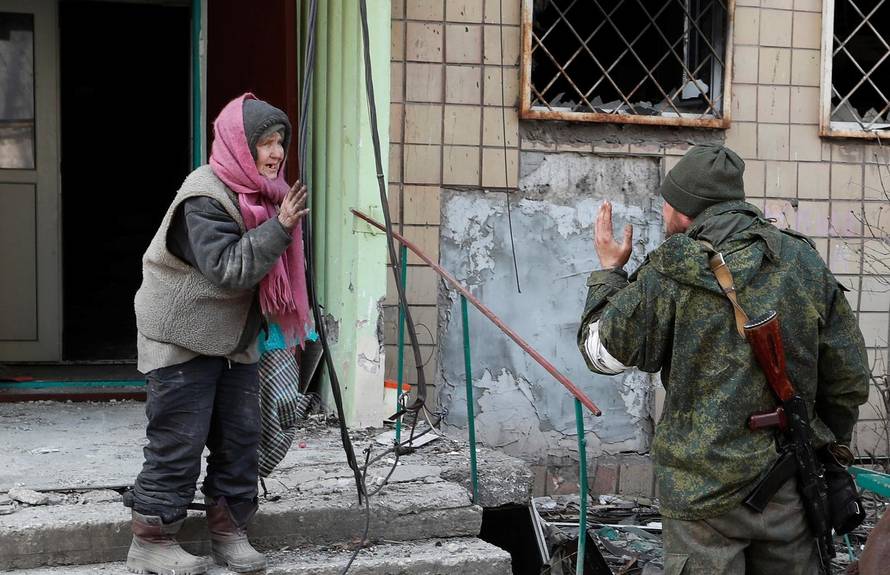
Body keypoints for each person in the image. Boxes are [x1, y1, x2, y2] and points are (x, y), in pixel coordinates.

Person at [577, 144, 869, 574]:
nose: (663, 212)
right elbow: (847, 380)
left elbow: (603, 354)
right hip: (789, 486)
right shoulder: (802, 260)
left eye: (667, 203)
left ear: (686, 211)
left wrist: (608, 274)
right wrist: (822, 445)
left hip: (701, 500)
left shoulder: (671, 269)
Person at [129, 92, 311, 575]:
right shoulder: (204, 196)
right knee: (178, 439)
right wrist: (283, 226)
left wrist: (280, 222)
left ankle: (229, 531)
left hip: (232, 338)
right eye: (266, 143)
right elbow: (229, 269)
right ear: (238, 143)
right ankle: (151, 539)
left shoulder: (264, 195)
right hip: (182, 333)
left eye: (280, 144)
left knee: (240, 437)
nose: (275, 154)